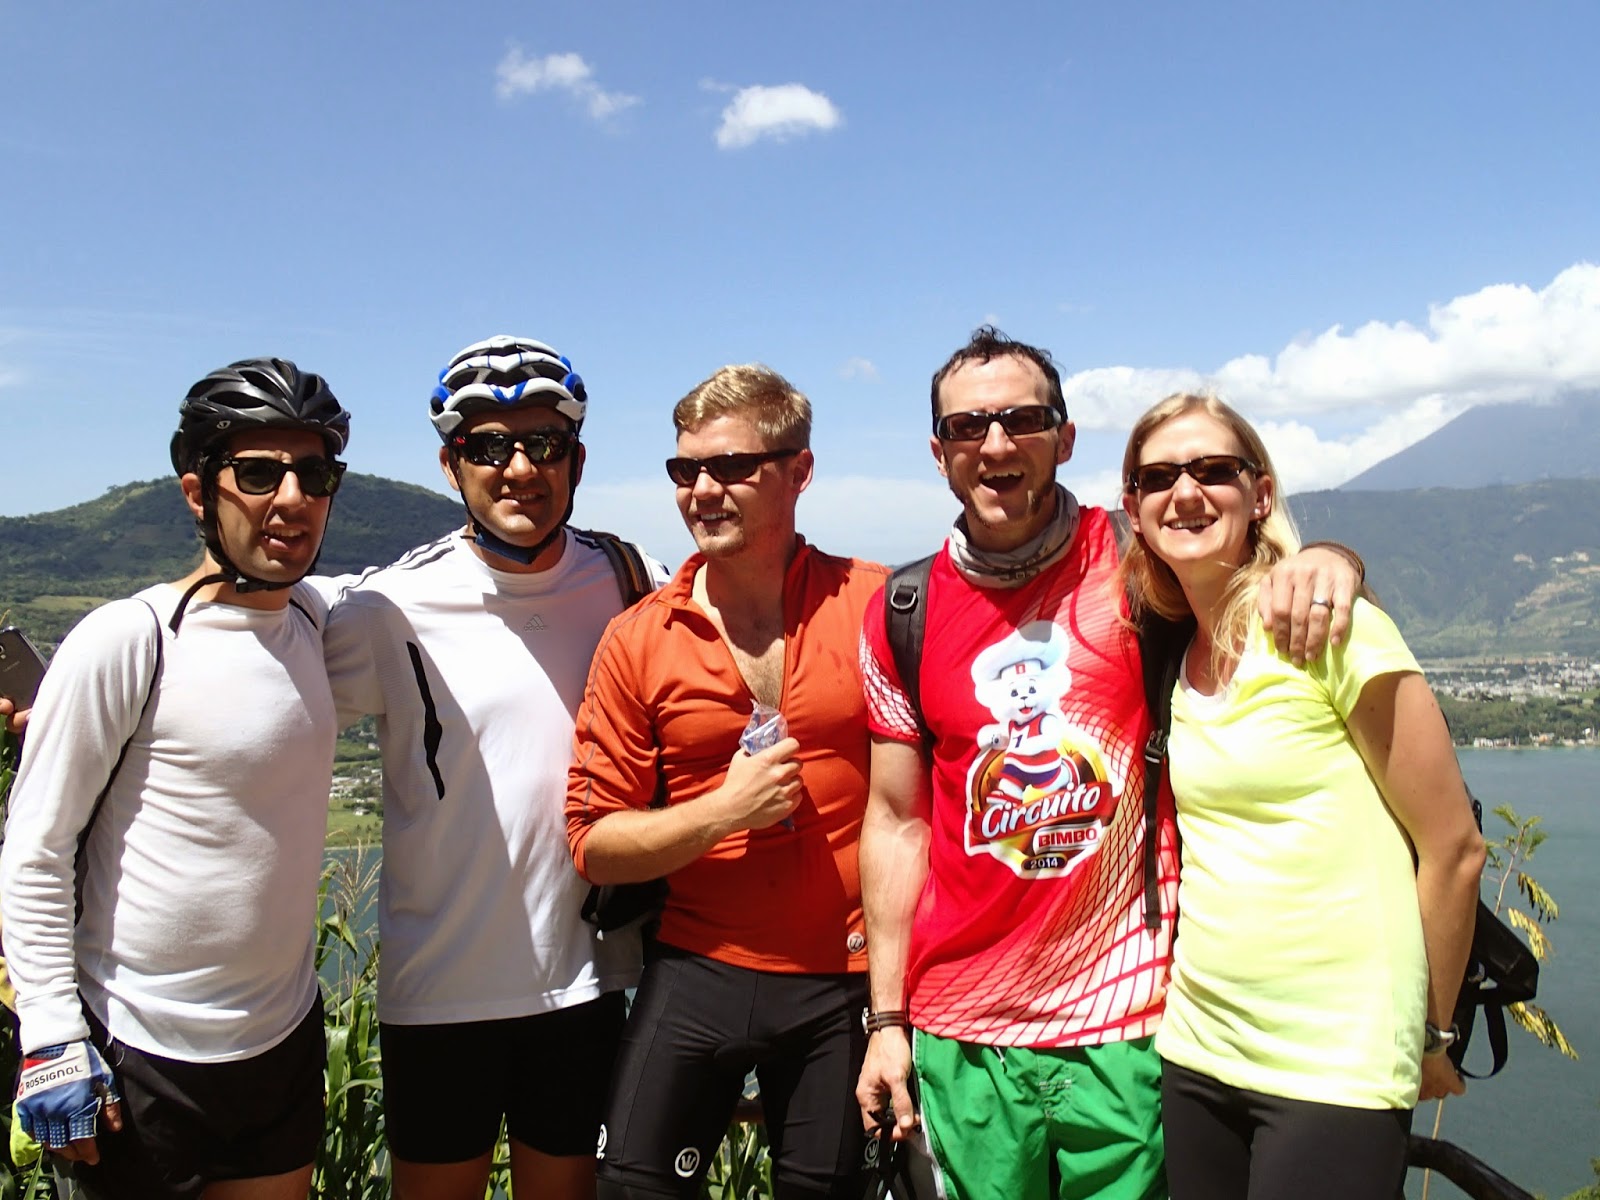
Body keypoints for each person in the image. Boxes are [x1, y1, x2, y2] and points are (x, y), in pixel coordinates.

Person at [852, 328, 1364, 1200]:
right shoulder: (904, 609)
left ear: (1065, 438)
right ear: (939, 453)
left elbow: (1260, 570)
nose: (997, 444)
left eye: (1023, 420)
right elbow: (898, 824)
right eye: (969, 426)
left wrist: (1332, 558)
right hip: (961, 1029)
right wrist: (887, 1019)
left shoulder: (1141, 561)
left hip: (1130, 1019)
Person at [315, 335, 663, 1200]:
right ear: (450, 465)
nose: (519, 468)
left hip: (585, 984)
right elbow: (258, 674)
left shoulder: (632, 581)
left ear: (577, 459)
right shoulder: (388, 607)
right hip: (441, 994)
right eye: (488, 446)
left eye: (544, 443)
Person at [1117, 392, 1485, 1199]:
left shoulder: (1330, 631)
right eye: (1159, 477)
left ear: (1260, 494)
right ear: (1133, 508)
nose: (1185, 492)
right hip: (1198, 1046)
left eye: (1213, 470)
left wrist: (1431, 1034)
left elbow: (1454, 849)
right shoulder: (1169, 646)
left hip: (1336, 1059)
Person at [1, 358, 351, 1200]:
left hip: (282, 1039)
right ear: (198, 493)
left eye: (314, 474)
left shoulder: (319, 619)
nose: (293, 498)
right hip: (143, 1050)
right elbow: (37, 848)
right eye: (258, 474)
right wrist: (51, 1037)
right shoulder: (131, 639)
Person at [565, 364, 887, 1200]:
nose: (702, 490)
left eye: (732, 467)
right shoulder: (640, 638)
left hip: (846, 979)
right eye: (685, 470)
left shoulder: (877, 606)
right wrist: (722, 812)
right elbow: (595, 844)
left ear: (799, 471)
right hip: (697, 964)